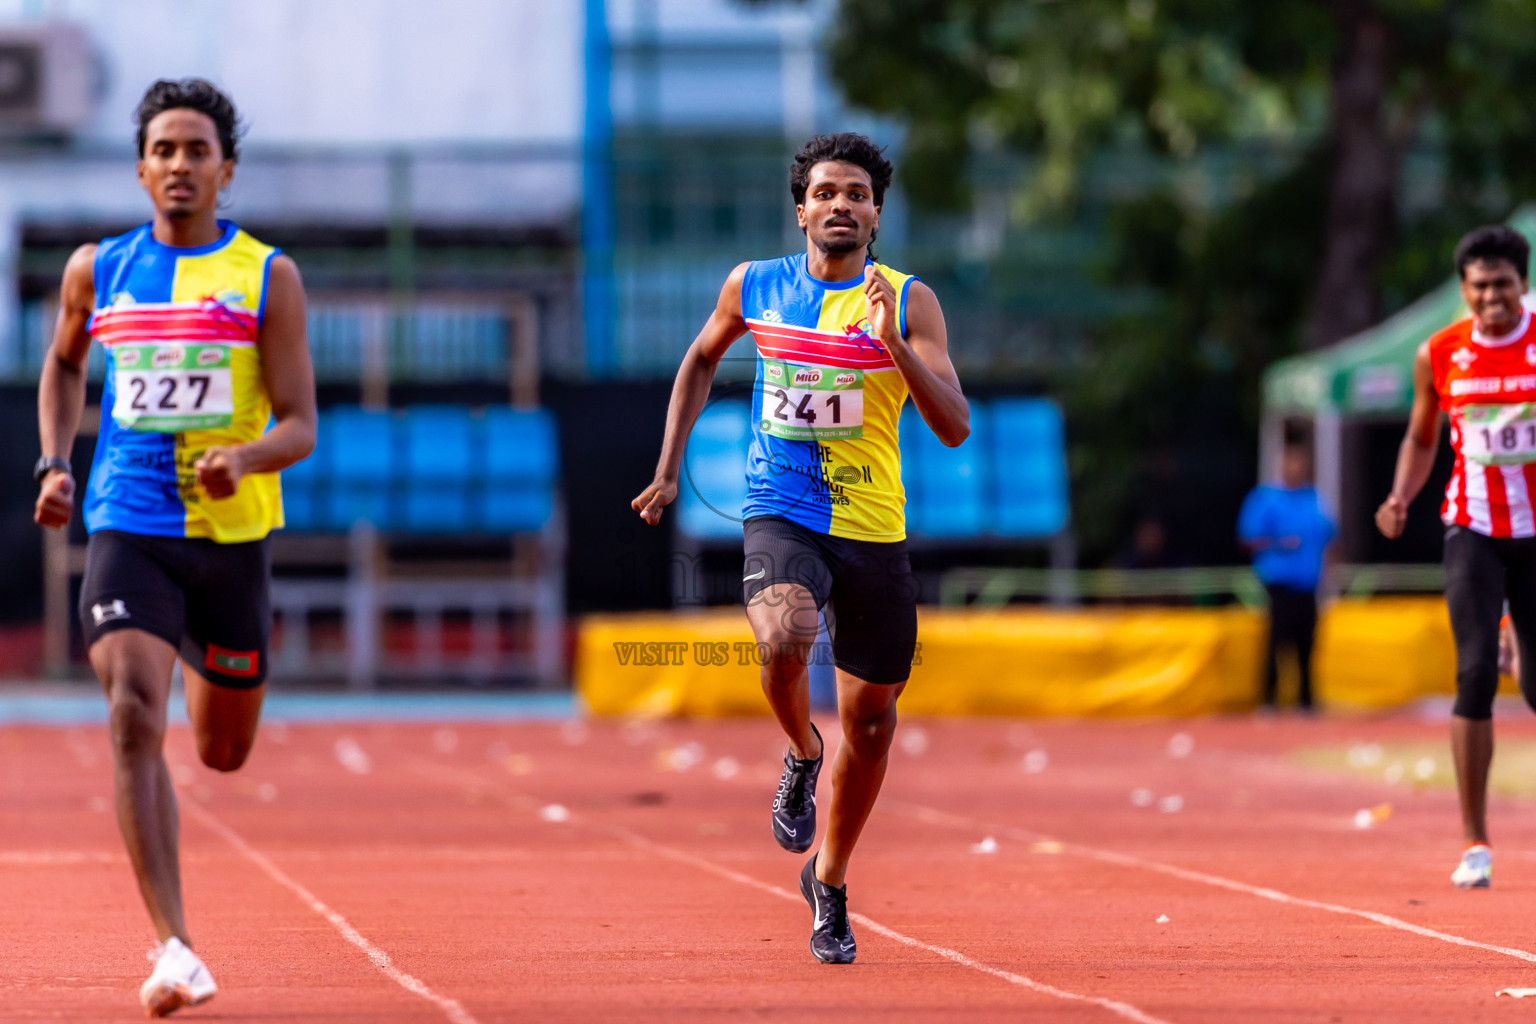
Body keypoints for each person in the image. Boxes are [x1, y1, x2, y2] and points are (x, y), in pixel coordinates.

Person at [631, 133, 969, 963]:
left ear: (877, 213)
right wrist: (669, 468)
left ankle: (832, 879)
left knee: (876, 723)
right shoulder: (755, 286)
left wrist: (893, 347)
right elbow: (700, 359)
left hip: (872, 527)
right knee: (782, 636)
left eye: (857, 193)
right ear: (802, 208)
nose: (841, 205)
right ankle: (799, 752)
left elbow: (955, 426)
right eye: (826, 192)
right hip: (782, 507)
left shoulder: (910, 301)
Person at [32, 79, 314, 1015]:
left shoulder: (266, 275)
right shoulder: (98, 271)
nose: (179, 165)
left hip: (231, 539)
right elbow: (67, 361)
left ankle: (204, 664)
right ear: (141, 167)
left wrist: (248, 457)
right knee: (130, 718)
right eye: (163, 149)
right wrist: (53, 462)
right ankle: (175, 947)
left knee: (223, 752)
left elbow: (301, 423)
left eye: (197, 150)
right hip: (129, 522)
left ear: (225, 170)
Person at [1376, 223, 1536, 891]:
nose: (1491, 298)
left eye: (1503, 284)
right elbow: (1422, 436)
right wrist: (1399, 496)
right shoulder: (1439, 353)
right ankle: (1476, 842)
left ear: (1522, 284)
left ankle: (1518, 638)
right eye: (1479, 287)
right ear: (1463, 290)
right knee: (1473, 674)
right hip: (1470, 525)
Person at [1237, 437, 1336, 711]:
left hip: (1308, 583)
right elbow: (1247, 539)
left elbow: (1331, 537)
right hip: (1278, 582)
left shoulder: (1313, 498)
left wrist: (1329, 573)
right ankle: (1269, 699)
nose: (1295, 467)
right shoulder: (1265, 498)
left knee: (1308, 643)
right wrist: (1278, 543)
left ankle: (1307, 700)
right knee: (1276, 642)